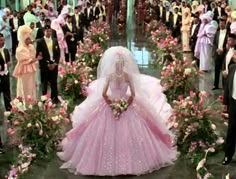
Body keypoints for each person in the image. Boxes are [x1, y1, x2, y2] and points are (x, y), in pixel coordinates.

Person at [57, 46, 177, 176]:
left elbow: (133, 94)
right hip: (111, 106)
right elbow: (103, 94)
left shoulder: (128, 77)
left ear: (123, 64)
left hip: (126, 106)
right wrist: (112, 105)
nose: (118, 66)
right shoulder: (110, 77)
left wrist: (125, 106)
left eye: (120, 64)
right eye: (117, 64)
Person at [13, 25, 42, 100]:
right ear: (23, 39)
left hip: (30, 69)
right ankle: (25, 102)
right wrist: (37, 59)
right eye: (28, 39)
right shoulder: (20, 49)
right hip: (24, 69)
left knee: (31, 85)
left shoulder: (31, 47)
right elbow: (26, 60)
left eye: (29, 39)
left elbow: (32, 56)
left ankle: (32, 100)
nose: (30, 40)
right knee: (25, 86)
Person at [36, 25, 60, 104]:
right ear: (44, 32)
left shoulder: (55, 40)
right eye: (47, 31)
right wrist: (46, 65)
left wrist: (55, 63)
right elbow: (38, 55)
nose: (49, 33)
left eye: (50, 31)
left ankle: (54, 97)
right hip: (45, 66)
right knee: (44, 83)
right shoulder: (40, 42)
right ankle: (44, 99)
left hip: (54, 64)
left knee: (54, 82)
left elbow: (58, 54)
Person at [222, 58, 236, 165]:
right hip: (233, 102)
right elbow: (227, 87)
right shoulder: (232, 68)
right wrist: (225, 103)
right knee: (231, 130)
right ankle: (228, 155)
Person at [212, 17, 228, 90]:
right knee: (216, 69)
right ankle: (215, 85)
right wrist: (216, 50)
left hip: (224, 54)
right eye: (220, 23)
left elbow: (228, 44)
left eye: (222, 23)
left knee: (224, 69)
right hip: (217, 53)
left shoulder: (228, 33)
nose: (221, 24)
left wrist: (223, 50)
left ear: (225, 24)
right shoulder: (217, 32)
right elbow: (214, 43)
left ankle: (225, 85)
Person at [0, 33, 11, 111]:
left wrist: (7, 65)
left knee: (7, 92)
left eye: (3, 40)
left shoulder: (6, 50)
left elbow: (9, 62)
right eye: (1, 40)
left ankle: (9, 110)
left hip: (6, 74)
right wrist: (5, 65)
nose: (3, 42)